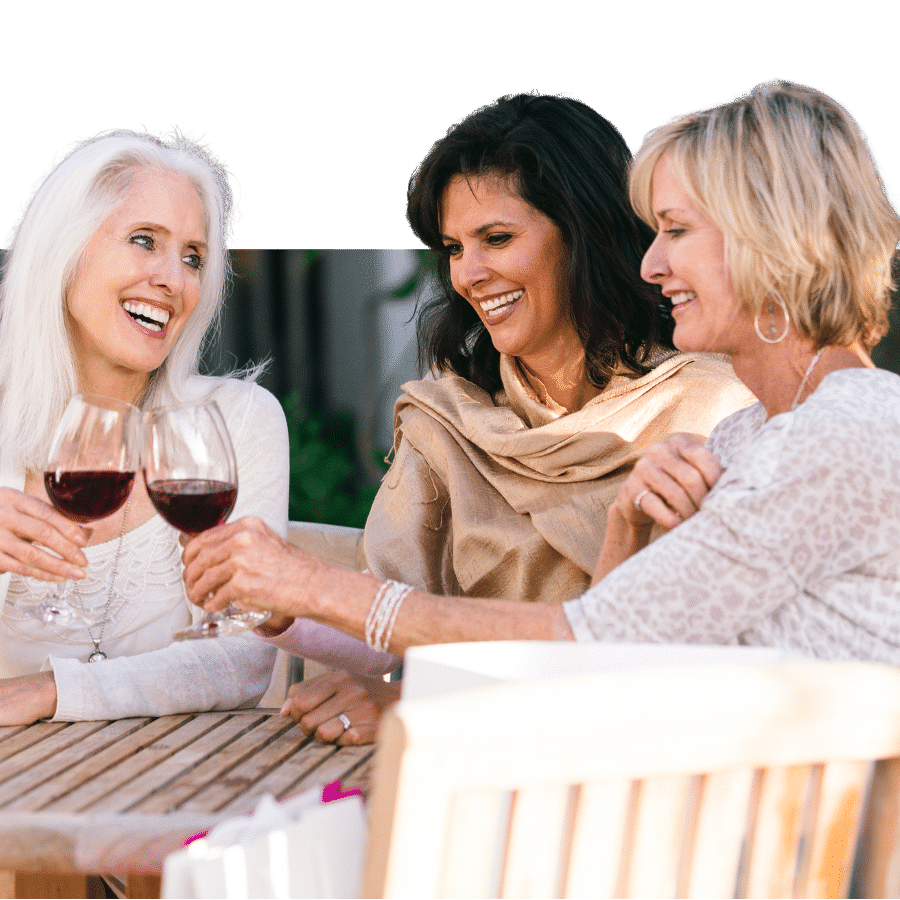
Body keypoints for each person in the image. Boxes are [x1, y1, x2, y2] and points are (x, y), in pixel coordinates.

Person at [183, 78, 900, 687]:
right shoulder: (760, 434)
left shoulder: (835, 440)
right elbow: (621, 660)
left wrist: (315, 588)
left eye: (676, 231)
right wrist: (623, 527)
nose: (652, 265)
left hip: (796, 841)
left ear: (769, 243)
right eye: (454, 249)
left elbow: (591, 644)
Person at [218, 91, 753, 743]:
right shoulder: (450, 416)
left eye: (496, 238)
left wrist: (417, 704)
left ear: (586, 233)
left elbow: (665, 662)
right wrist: (283, 607)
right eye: (453, 247)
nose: (469, 274)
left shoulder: (715, 411)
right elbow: (384, 615)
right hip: (473, 767)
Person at [0, 129, 288, 725]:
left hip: (173, 786)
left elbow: (242, 658)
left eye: (192, 258)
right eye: (143, 241)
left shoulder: (237, 424)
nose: (174, 281)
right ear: (64, 250)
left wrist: (56, 691)